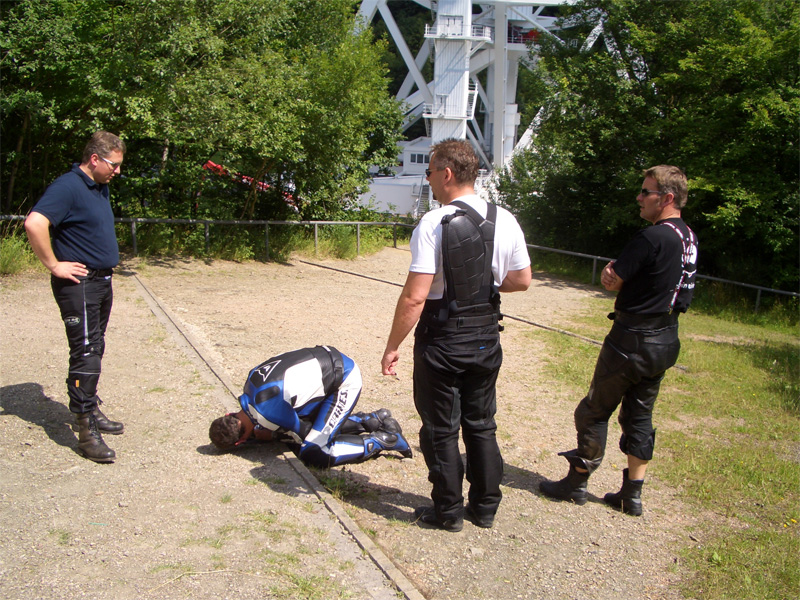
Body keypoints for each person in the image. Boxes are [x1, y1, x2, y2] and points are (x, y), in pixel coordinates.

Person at [381, 139, 532, 532]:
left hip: (443, 340)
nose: (428, 180)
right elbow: (521, 280)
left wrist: (392, 345)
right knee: (482, 424)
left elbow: (416, 297)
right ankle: (485, 508)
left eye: (430, 172)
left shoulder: (434, 223)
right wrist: (485, 286)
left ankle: (448, 511)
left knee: (442, 428)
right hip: (485, 338)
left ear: (446, 174)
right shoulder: (506, 219)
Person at [539, 165, 699, 516]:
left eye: (646, 192)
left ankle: (577, 482)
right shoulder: (688, 238)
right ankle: (632, 494)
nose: (639, 198)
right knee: (640, 415)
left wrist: (612, 276)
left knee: (594, 410)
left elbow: (613, 279)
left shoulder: (653, 237)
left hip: (632, 339)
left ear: (667, 198)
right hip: (666, 339)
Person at [25, 131, 127, 463]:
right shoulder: (67, 186)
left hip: (101, 282)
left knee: (95, 348)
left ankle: (90, 407)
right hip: (79, 285)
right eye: (113, 165)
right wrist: (54, 264)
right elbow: (35, 222)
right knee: (85, 353)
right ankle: (85, 432)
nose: (117, 171)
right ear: (94, 159)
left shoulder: (99, 186)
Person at [209, 346, 412, 468]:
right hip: (327, 359)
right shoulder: (249, 385)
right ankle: (372, 420)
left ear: (240, 442)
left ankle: (385, 440)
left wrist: (273, 435)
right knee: (305, 422)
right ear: (228, 414)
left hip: (343, 379)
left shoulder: (267, 415)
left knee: (313, 451)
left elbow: (304, 432)